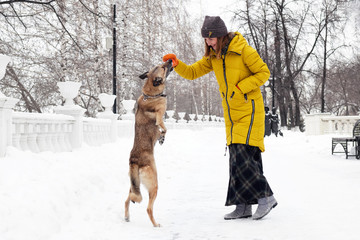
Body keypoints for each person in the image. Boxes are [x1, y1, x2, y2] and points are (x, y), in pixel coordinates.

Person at [163, 16, 277, 220]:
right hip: (232, 116)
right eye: (206, 39)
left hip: (250, 111)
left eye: (212, 38)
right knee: (236, 159)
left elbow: (263, 72)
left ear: (222, 35)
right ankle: (242, 206)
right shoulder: (214, 58)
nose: (209, 42)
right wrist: (177, 63)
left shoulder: (244, 50)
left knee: (243, 159)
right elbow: (192, 72)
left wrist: (240, 88)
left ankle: (266, 197)